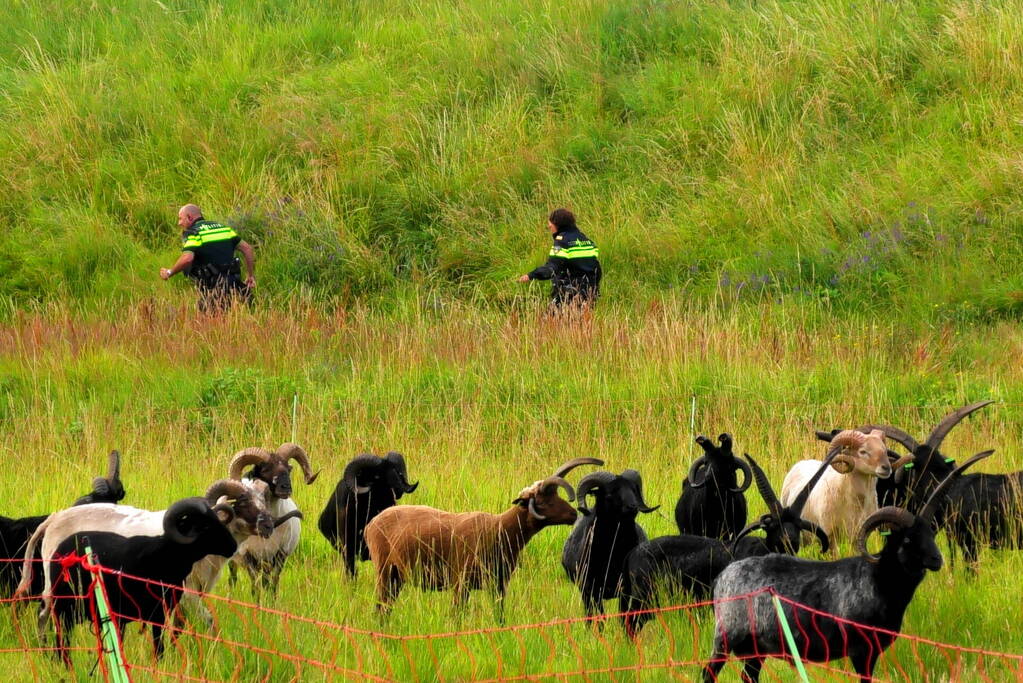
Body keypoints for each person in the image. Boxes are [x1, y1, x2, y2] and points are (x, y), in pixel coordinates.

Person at [159, 204, 255, 312]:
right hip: (235, 286)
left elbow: (187, 258)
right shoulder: (223, 228)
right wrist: (250, 275)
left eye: (180, 218)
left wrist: (170, 272)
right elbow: (247, 249)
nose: (179, 223)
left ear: (189, 217)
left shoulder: (193, 232)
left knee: (211, 319)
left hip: (214, 288)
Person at [517, 208, 601, 309]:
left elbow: (552, 268)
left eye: (550, 225)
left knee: (550, 317)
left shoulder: (562, 241)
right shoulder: (586, 240)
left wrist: (531, 275)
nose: (549, 228)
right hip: (589, 293)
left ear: (557, 224)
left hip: (569, 294)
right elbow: (597, 268)